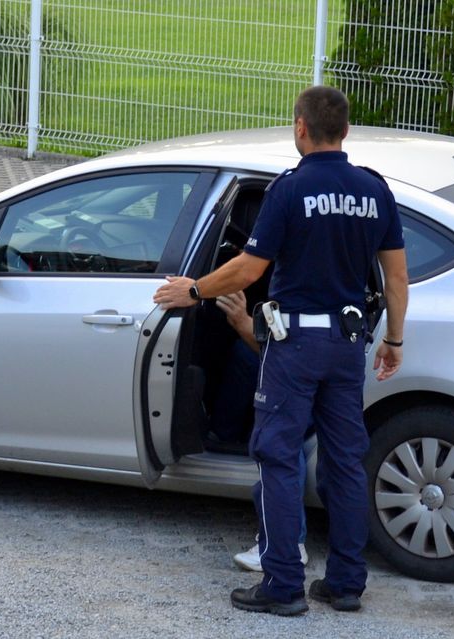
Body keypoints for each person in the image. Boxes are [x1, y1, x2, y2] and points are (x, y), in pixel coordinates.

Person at [154, 85, 408, 617]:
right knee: (345, 461)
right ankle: (346, 583)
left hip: (295, 346)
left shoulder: (289, 190)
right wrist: (394, 340)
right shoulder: (374, 189)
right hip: (347, 344)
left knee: (277, 455)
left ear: (300, 127)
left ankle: (283, 584)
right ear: (345, 130)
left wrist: (194, 290)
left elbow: (249, 270)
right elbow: (396, 278)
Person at [213, 292, 309, 572]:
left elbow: (284, 352)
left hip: (306, 354)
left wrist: (196, 291)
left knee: (279, 440)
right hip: (334, 346)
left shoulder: (304, 274)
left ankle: (286, 544)